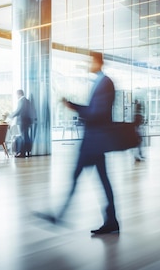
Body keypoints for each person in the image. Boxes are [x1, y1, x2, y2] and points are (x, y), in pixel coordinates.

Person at [35, 51, 120, 234]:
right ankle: (110, 220)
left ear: (98, 62)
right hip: (93, 140)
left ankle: (60, 215)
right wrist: (73, 105)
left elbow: (97, 113)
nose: (88, 64)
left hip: (94, 141)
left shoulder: (105, 83)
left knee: (81, 178)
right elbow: (94, 110)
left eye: (90, 61)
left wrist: (74, 107)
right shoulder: (100, 82)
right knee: (100, 179)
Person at [10, 89, 33, 158]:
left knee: (23, 137)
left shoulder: (21, 101)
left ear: (19, 94)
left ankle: (22, 153)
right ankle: (28, 151)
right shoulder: (27, 101)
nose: (16, 96)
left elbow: (18, 110)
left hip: (23, 121)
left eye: (17, 95)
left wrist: (10, 116)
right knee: (26, 136)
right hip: (27, 121)